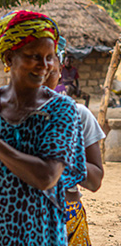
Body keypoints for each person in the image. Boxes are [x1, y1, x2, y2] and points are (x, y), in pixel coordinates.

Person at [0, 10, 87, 246]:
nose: (44, 65)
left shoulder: (61, 109)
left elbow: (46, 176)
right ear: (8, 57)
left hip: (44, 238)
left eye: (49, 57)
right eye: (33, 55)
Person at [45, 37, 105, 246]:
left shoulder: (78, 115)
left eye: (49, 62)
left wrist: (61, 157)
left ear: (60, 69)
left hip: (68, 220)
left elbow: (95, 180)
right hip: (15, 221)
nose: (42, 69)